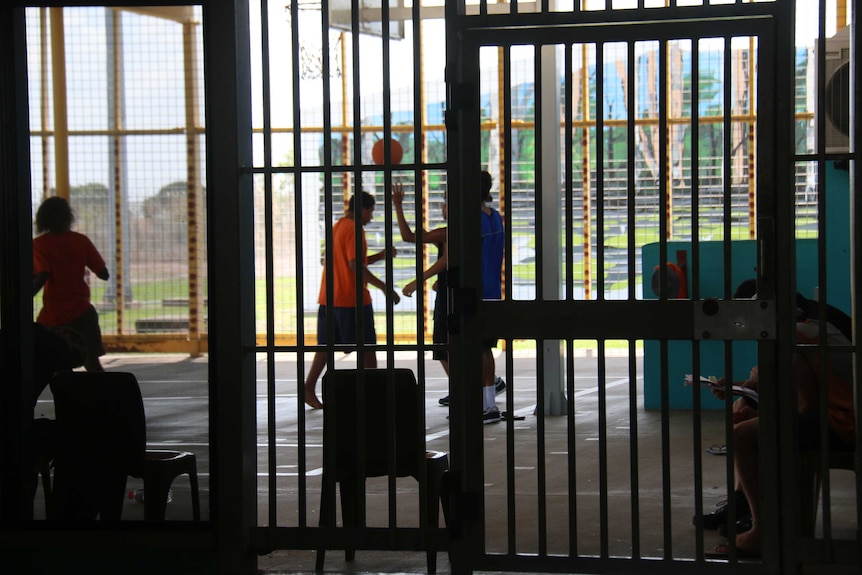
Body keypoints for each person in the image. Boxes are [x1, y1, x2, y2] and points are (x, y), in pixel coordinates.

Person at [704, 318, 854, 558]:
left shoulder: (793, 337)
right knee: (747, 411)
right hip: (845, 414)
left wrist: (761, 415)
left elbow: (808, 406)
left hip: (843, 422)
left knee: (743, 435)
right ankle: (746, 506)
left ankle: (762, 532)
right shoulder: (810, 327)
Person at [303, 192, 401, 409]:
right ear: (362, 210)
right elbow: (355, 266)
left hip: (329, 298)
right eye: (371, 211)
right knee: (367, 349)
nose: (371, 217)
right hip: (351, 300)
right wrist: (385, 287)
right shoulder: (355, 230)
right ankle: (374, 394)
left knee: (325, 347)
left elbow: (353, 260)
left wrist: (382, 255)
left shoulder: (338, 226)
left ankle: (308, 387)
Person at [32, 196, 110, 372]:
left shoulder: (39, 245)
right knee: (92, 364)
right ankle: (104, 397)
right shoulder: (81, 241)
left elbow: (43, 273)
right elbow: (104, 274)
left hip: (54, 317)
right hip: (82, 311)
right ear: (68, 217)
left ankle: (67, 398)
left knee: (59, 367)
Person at [392, 182, 450, 377]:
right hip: (454, 292)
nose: (443, 207)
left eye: (445, 203)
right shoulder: (462, 230)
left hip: (449, 297)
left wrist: (398, 206)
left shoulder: (446, 232)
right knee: (452, 346)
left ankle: (462, 389)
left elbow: (408, 237)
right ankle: (478, 385)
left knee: (443, 347)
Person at [478, 171, 506, 424]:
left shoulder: (472, 219)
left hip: (476, 290)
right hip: (493, 290)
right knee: (485, 349)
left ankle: (487, 405)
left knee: (477, 349)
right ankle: (489, 402)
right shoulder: (497, 218)